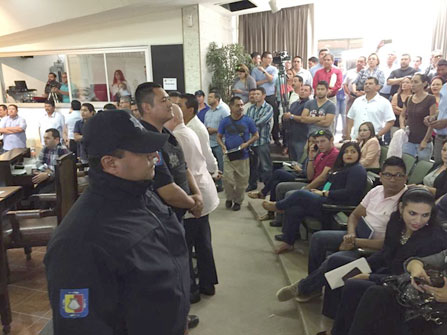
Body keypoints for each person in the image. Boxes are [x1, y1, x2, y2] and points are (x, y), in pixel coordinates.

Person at [44, 110, 191, 334]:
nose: (154, 155)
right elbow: (80, 328)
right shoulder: (79, 242)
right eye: (143, 151)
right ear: (110, 163)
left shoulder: (143, 193)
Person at [275, 157, 408, 303]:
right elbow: (355, 215)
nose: (393, 180)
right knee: (319, 238)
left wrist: (355, 242)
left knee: (334, 259)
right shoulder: (376, 191)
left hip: (375, 248)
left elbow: (391, 243)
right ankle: (314, 288)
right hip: (356, 235)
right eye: (388, 175)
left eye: (398, 175)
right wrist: (351, 234)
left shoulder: (406, 202)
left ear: (405, 177)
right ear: (381, 176)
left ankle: (304, 286)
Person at [321, 187, 447, 334]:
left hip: (401, 281)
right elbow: (386, 252)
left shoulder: (434, 239)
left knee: (354, 284)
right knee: (338, 264)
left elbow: (407, 276)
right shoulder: (396, 221)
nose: (418, 220)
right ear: (401, 208)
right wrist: (364, 266)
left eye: (425, 215)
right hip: (388, 269)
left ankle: (339, 330)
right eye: (412, 213)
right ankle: (335, 322)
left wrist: (370, 276)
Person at [264, 141, 367, 254]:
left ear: (359, 154)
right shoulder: (341, 168)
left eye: (353, 152)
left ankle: (278, 206)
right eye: (346, 152)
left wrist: (324, 193)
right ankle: (288, 242)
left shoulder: (357, 170)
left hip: (336, 206)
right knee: (295, 209)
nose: (349, 154)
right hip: (326, 200)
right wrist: (318, 191)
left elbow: (349, 193)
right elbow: (329, 184)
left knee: (300, 194)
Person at [165, 104, 219, 304]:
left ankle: (192, 290)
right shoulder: (188, 130)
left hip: (192, 194)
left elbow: (182, 170)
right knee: (203, 243)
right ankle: (207, 284)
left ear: (174, 118)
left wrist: (190, 199)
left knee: (186, 247)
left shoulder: (176, 136)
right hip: (201, 191)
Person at [344, 249, 447, 335]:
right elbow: (414, 261)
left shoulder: (434, 237)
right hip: (421, 300)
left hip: (435, 313)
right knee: (377, 294)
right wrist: (416, 268)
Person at [265, 129, 340, 228]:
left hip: (321, 188)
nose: (320, 145)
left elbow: (322, 178)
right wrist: (311, 158)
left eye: (323, 141)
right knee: (280, 186)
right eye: (318, 142)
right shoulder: (320, 154)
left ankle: (278, 208)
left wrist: (306, 189)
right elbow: (310, 176)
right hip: (311, 182)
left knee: (289, 193)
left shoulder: (334, 154)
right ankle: (280, 219)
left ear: (331, 140)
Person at [248, 134, 316, 222]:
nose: (312, 144)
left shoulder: (316, 154)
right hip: (298, 172)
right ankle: (270, 213)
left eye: (314, 142)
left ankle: (263, 193)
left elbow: (309, 174)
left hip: (302, 178)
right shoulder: (309, 152)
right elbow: (304, 165)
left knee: (278, 173)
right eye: (310, 141)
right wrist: (298, 166)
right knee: (275, 183)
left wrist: (299, 170)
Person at [216, 96, 259, 211]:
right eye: (237, 105)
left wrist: (247, 144)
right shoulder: (225, 121)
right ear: (231, 107)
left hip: (243, 155)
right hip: (228, 155)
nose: (240, 107)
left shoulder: (248, 121)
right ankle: (229, 198)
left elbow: (256, 135)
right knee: (227, 179)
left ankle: (238, 201)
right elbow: (219, 136)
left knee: (242, 182)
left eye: (241, 105)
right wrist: (222, 145)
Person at [179, 94, 218, 177]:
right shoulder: (182, 125)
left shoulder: (197, 129)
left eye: (180, 106)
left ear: (190, 110)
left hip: (198, 174)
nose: (176, 109)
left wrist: (213, 171)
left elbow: (205, 153)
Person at [400, 74, 437, 161]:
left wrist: (425, 140)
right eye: (411, 82)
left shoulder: (430, 99)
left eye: (416, 82)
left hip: (423, 140)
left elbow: (432, 121)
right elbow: (402, 115)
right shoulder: (409, 98)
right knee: (406, 165)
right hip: (408, 140)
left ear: (424, 83)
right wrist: (402, 127)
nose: (412, 84)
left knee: (421, 167)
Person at [246, 87, 273, 192]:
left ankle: (268, 187)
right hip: (251, 141)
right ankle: (252, 184)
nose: (255, 96)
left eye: (258, 94)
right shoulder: (250, 109)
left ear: (264, 95)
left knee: (266, 165)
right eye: (254, 94)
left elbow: (262, 122)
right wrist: (251, 124)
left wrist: (251, 124)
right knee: (252, 165)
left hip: (262, 141)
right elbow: (246, 122)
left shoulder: (268, 108)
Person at [251, 51, 280, 144]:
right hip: (258, 96)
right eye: (268, 58)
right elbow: (254, 83)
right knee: (259, 116)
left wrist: (264, 72)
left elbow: (272, 80)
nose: (270, 60)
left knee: (274, 116)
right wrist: (266, 80)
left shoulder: (274, 69)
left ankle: (276, 138)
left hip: (270, 96)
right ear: (263, 59)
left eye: (271, 58)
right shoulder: (255, 70)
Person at [205, 91, 230, 192]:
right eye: (208, 97)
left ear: (217, 99)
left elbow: (228, 127)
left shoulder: (224, 111)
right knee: (211, 165)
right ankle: (213, 184)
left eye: (211, 97)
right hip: (209, 143)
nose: (208, 99)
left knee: (221, 165)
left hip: (219, 143)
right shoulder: (208, 112)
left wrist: (215, 130)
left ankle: (222, 185)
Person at [33, 128, 70, 193]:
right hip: (48, 180)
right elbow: (38, 162)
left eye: (47, 138)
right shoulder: (45, 149)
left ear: (57, 140)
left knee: (40, 194)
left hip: (60, 182)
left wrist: (49, 174)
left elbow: (64, 171)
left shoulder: (63, 150)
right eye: (44, 138)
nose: (44, 140)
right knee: (31, 192)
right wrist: (46, 170)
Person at [283, 84, 311, 161]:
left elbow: (303, 119)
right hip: (291, 135)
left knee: (300, 160)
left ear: (310, 93)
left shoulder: (310, 104)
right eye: (302, 89)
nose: (303, 92)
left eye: (306, 90)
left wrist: (291, 116)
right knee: (292, 161)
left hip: (301, 136)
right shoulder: (294, 104)